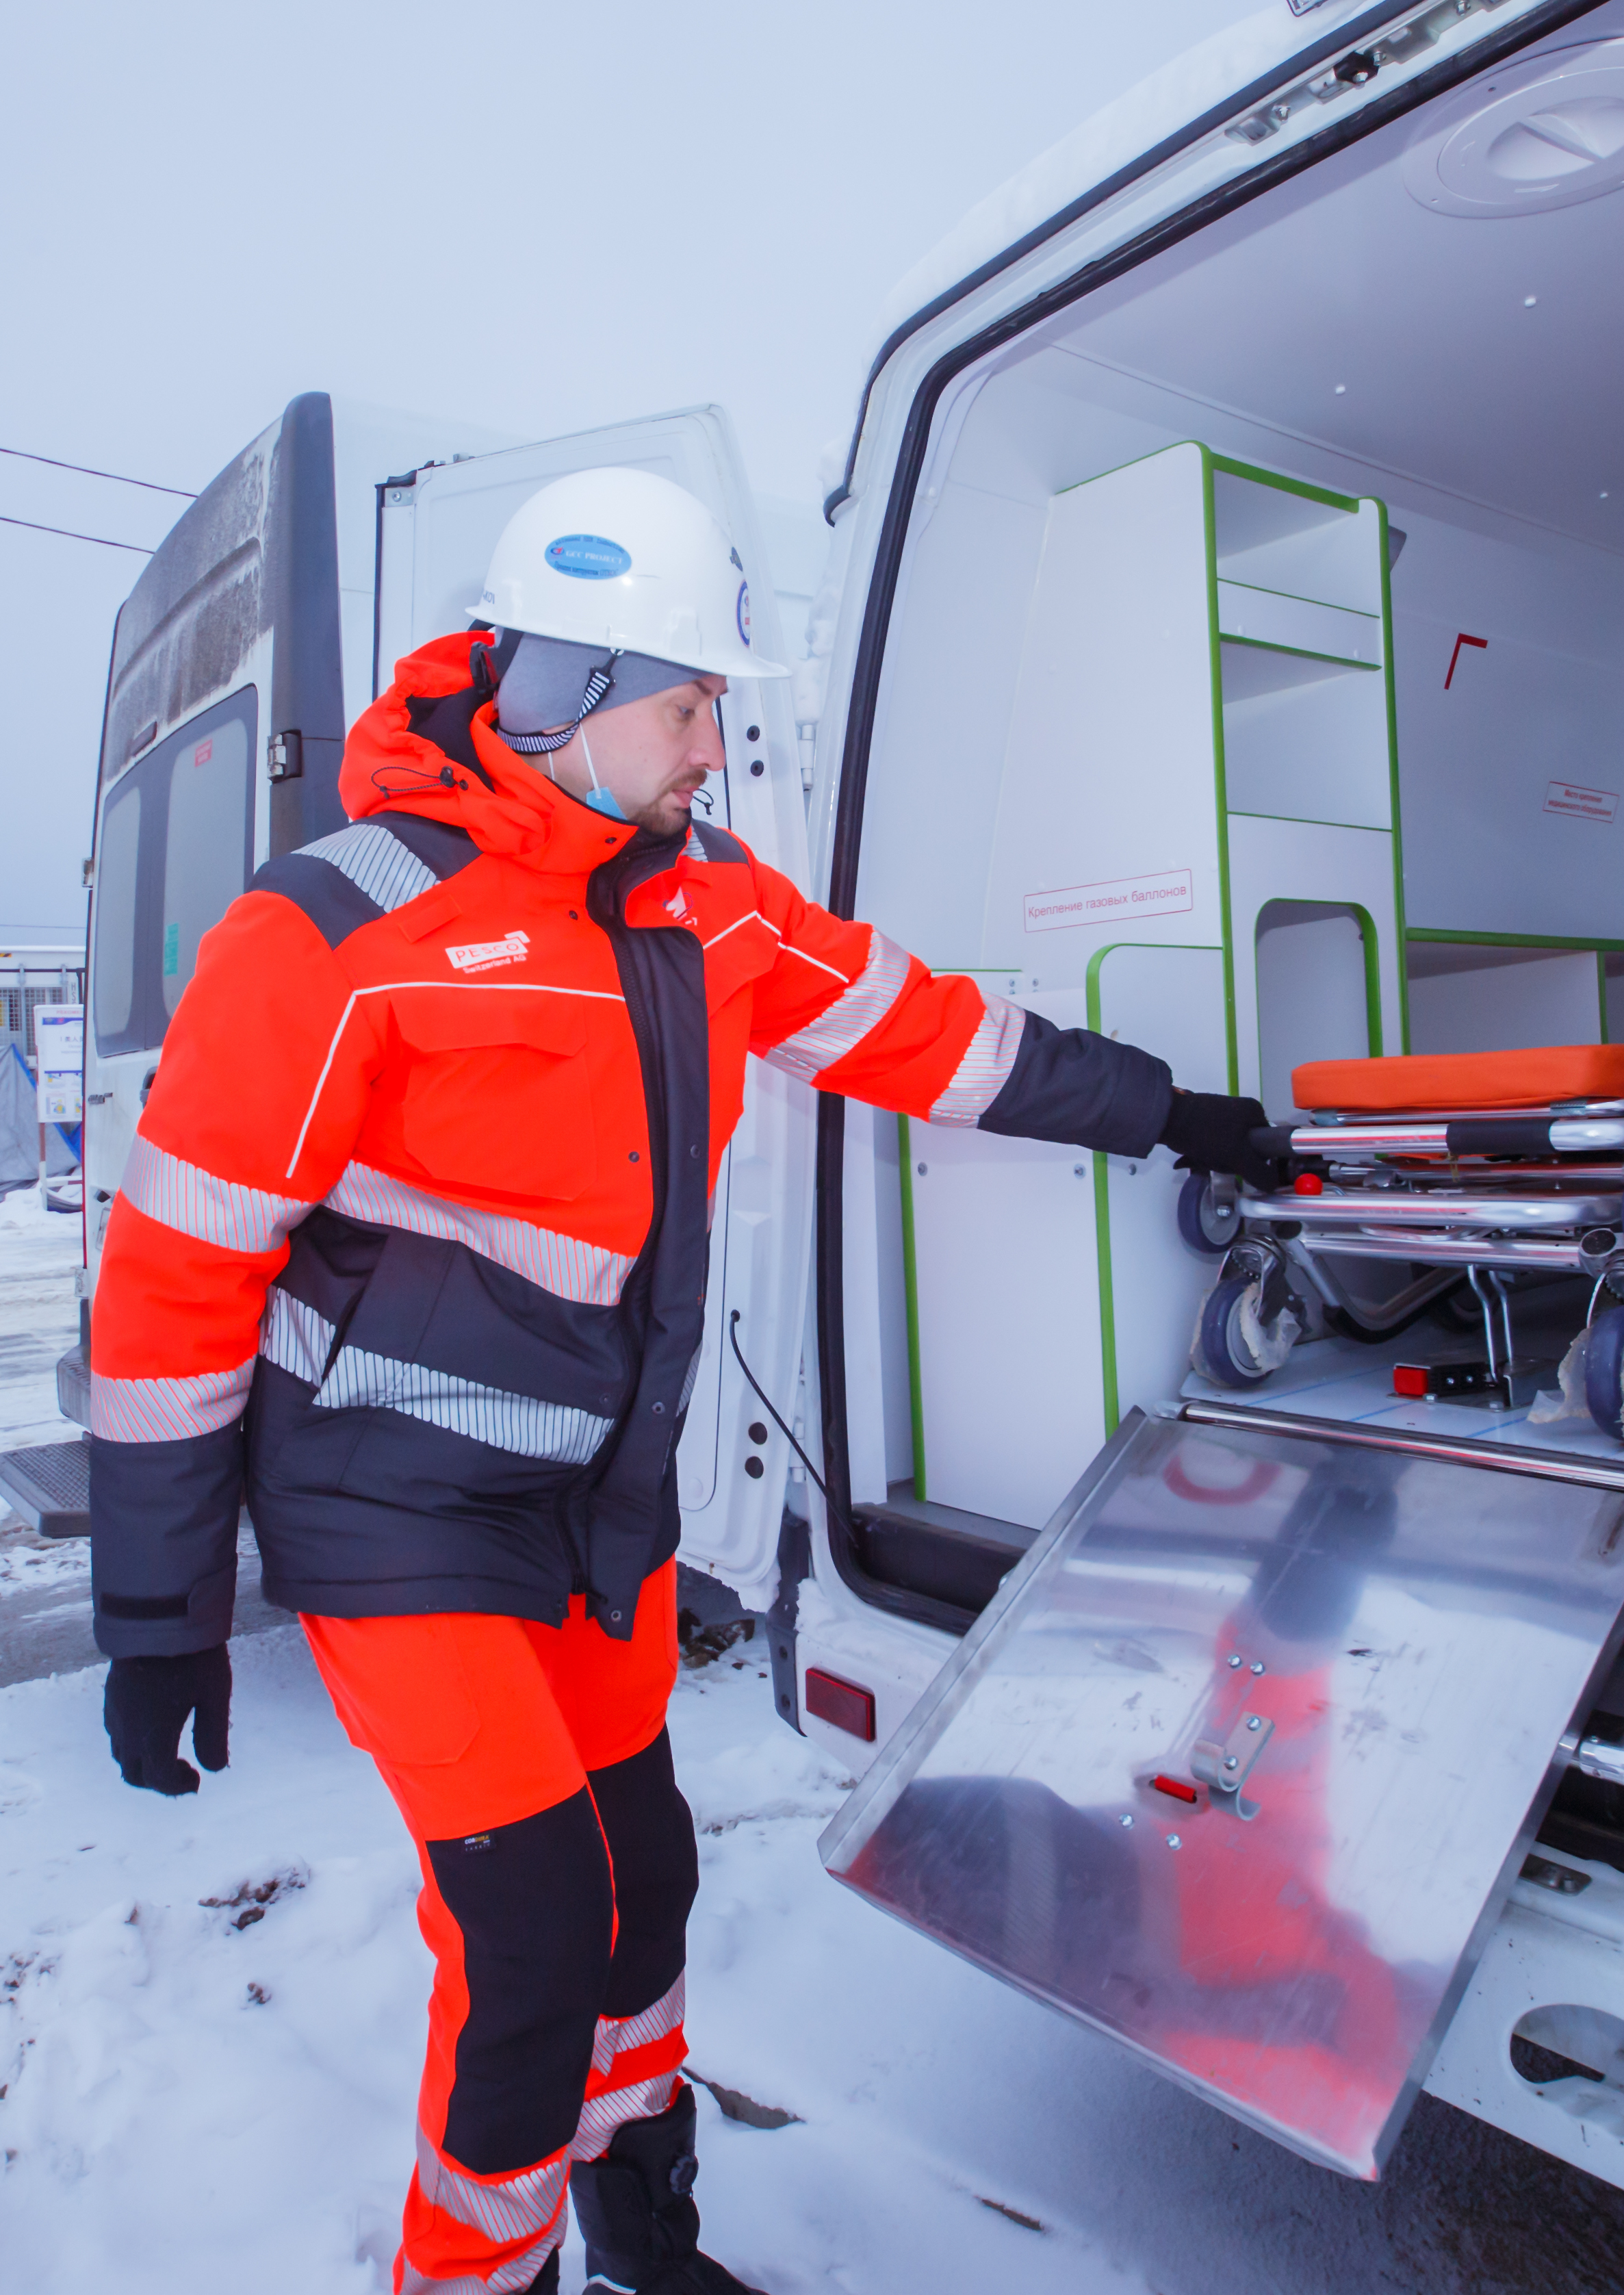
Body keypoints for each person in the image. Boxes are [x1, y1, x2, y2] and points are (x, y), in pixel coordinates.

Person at [84, 467, 1277, 2295]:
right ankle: (471, 2278)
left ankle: (648, 2238)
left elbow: (922, 1033)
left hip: (595, 1508)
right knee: (536, 1922)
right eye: (689, 701)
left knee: (640, 1883)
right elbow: (173, 1275)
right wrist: (157, 1613)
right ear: (559, 689)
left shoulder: (706, 904)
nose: (715, 740)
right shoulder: (335, 929)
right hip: (392, 1512)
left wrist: (1164, 1109)